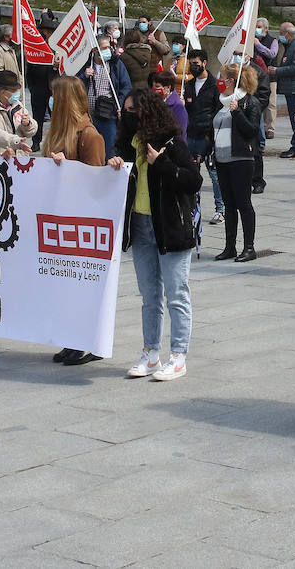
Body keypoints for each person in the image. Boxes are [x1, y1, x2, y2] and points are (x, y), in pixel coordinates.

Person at [108, 89, 201, 381]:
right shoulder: (128, 143)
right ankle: (150, 352)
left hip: (170, 227)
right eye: (125, 111)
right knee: (149, 296)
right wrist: (114, 166)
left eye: (132, 110)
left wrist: (161, 163)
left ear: (146, 111)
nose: (127, 115)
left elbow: (193, 181)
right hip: (140, 226)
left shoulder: (171, 141)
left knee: (177, 293)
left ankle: (178, 355)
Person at [44, 74, 108, 367]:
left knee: (79, 287)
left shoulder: (90, 136)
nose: (51, 101)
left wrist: (66, 168)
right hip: (57, 220)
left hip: (79, 225)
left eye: (56, 97)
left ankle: (83, 340)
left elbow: (94, 184)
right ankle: (69, 338)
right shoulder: (57, 132)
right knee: (61, 288)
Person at [211, 62, 262, 263]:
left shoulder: (249, 102)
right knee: (229, 205)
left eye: (223, 77)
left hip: (241, 159)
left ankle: (249, 247)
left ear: (232, 80)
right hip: (222, 159)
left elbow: (251, 131)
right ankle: (229, 246)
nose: (220, 81)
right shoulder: (222, 101)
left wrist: (237, 112)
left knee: (244, 204)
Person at [181, 48, 225, 225]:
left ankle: (220, 210)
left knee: (214, 174)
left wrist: (212, 135)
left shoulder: (215, 85)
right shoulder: (189, 85)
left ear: (205, 63)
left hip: (208, 136)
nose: (193, 67)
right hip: (191, 135)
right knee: (192, 174)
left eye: (196, 64)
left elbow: (218, 110)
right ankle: (192, 208)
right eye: (191, 64)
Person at [83, 34, 132, 155]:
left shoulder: (115, 65)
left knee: (109, 148)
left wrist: (118, 105)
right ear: (95, 50)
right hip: (87, 115)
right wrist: (83, 76)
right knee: (89, 149)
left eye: (109, 47)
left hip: (108, 115)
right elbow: (74, 85)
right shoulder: (86, 64)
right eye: (104, 48)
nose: (108, 50)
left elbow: (126, 86)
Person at [274, 22, 295, 158]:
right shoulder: (290, 46)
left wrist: (277, 71)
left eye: (281, 33)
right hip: (291, 88)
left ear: (288, 33)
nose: (280, 36)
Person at [26, 11, 59, 147]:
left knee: (57, 117)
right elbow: (30, 66)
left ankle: (56, 143)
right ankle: (36, 142)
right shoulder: (36, 46)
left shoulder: (57, 46)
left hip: (54, 88)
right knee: (37, 117)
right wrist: (32, 87)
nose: (47, 34)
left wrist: (56, 66)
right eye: (46, 31)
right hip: (38, 87)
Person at [251, 18, 280, 138]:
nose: (257, 29)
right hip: (253, 75)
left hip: (269, 76)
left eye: (259, 27)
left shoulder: (273, 41)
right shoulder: (250, 39)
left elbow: (272, 54)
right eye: (256, 26)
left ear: (266, 29)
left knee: (271, 103)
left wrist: (258, 45)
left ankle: (270, 128)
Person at [122, 17, 170, 88]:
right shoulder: (135, 33)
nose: (141, 24)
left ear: (150, 22)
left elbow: (166, 50)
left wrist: (155, 42)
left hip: (154, 71)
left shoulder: (158, 33)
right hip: (139, 71)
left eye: (144, 22)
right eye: (140, 22)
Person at [148, 69, 188, 134]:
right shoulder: (154, 101)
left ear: (168, 87)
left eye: (157, 86)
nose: (154, 89)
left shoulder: (178, 106)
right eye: (153, 86)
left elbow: (181, 131)